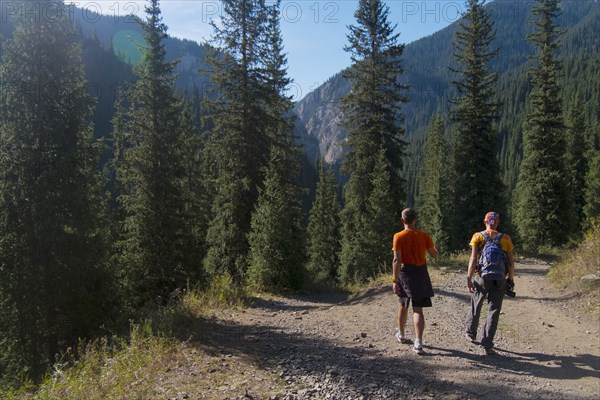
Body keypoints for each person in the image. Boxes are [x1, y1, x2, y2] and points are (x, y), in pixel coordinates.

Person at [465, 211, 515, 355]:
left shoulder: (478, 236)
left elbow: (473, 259)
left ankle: (470, 333)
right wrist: (510, 280)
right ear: (498, 222)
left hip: (482, 277)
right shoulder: (505, 238)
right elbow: (511, 263)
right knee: (494, 310)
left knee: (477, 304)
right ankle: (487, 344)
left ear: (485, 221)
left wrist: (469, 277)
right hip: (499, 278)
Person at [392, 208, 439, 354]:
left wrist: (394, 279)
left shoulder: (398, 236)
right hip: (420, 272)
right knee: (418, 309)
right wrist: (434, 248)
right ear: (415, 219)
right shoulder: (424, 236)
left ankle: (401, 333)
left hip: (405, 273)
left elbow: (396, 259)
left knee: (403, 304)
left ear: (403, 220)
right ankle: (418, 342)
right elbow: (434, 254)